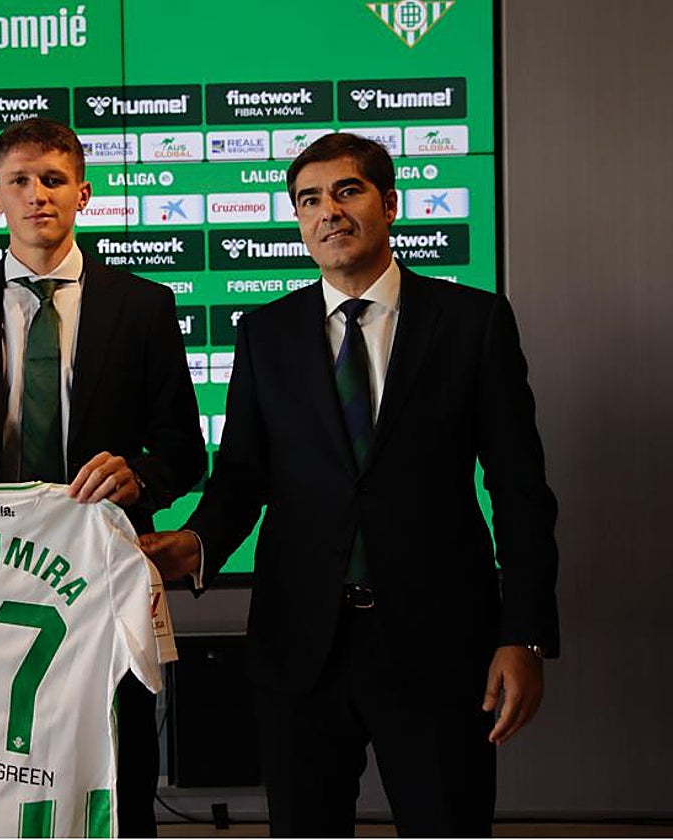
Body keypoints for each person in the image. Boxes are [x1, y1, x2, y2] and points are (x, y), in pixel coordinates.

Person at [140, 133, 559, 836]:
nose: (328, 211)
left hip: (440, 647)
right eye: (309, 199)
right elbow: (244, 476)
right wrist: (196, 543)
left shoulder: (473, 322)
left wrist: (525, 634)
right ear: (298, 221)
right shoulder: (264, 333)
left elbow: (521, 490)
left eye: (347, 191)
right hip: (299, 647)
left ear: (390, 204)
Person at [0, 117, 206, 835]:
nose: (37, 196)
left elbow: (186, 450)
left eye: (53, 180)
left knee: (115, 772)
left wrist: (139, 478)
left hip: (100, 579)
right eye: (20, 181)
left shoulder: (144, 306)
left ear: (83, 192)